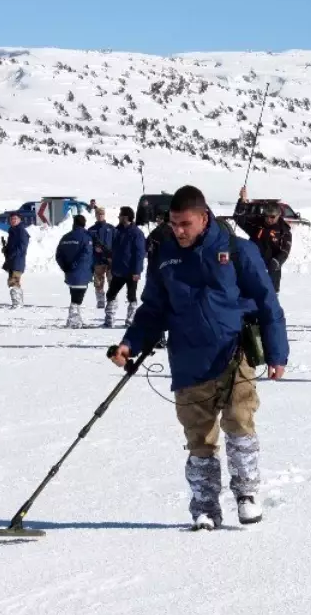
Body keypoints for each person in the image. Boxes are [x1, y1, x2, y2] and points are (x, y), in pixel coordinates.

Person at [113, 185, 288, 531]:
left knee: (239, 422)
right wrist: (129, 344)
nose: (178, 231)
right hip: (188, 359)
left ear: (204, 217)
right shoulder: (163, 256)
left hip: (233, 352)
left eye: (185, 224)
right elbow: (153, 309)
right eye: (173, 224)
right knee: (200, 438)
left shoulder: (238, 251)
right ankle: (205, 506)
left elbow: (268, 301)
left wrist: (277, 352)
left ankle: (247, 494)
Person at [233, 185, 292, 293]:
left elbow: (285, 251)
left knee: (269, 303)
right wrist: (242, 201)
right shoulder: (258, 224)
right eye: (266, 216)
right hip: (253, 270)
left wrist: (276, 262)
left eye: (272, 217)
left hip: (271, 274)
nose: (268, 219)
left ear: (278, 215)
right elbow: (239, 218)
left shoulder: (284, 230)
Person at [105, 206, 146, 328]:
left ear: (126, 217)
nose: (119, 217)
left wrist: (137, 271)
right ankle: (109, 319)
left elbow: (139, 254)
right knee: (111, 294)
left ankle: (130, 320)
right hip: (118, 270)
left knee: (131, 296)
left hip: (131, 271)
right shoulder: (118, 231)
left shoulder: (136, 233)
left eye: (121, 215)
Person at [56, 214, 93, 328]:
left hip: (70, 274)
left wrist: (65, 267)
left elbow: (58, 255)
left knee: (75, 297)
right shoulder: (86, 238)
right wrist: (74, 265)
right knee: (77, 299)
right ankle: (73, 321)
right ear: (84, 224)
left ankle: (76, 320)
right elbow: (86, 255)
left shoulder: (65, 237)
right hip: (82, 273)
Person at [88, 207, 115, 309]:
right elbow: (88, 245)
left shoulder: (111, 229)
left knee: (112, 281)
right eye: (98, 214)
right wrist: (95, 249)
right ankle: (100, 301)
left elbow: (116, 243)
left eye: (102, 214)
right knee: (98, 282)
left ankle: (111, 300)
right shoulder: (91, 230)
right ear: (95, 215)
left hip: (110, 261)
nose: (100, 216)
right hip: (97, 260)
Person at [1, 211, 29, 308]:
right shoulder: (13, 230)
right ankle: (18, 302)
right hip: (12, 260)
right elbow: (11, 246)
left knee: (13, 281)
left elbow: (22, 246)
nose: (13, 221)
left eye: (15, 219)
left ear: (19, 220)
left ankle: (17, 303)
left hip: (18, 260)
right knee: (13, 281)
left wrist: (12, 253)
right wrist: (6, 249)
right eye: (11, 219)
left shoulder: (21, 231)